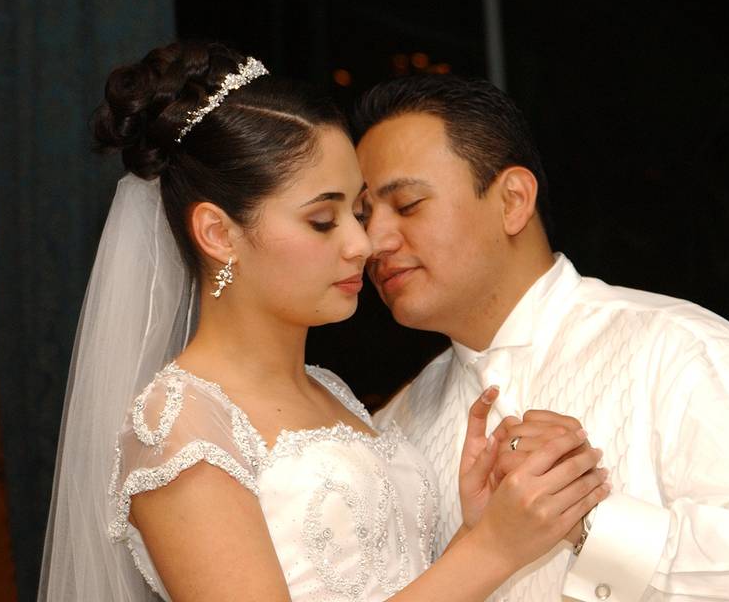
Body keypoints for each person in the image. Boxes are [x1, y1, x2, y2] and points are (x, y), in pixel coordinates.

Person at [37, 41, 611, 602]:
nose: (364, 243)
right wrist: (490, 549)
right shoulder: (180, 423)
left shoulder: (332, 392)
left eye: (357, 212)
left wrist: (473, 529)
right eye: (321, 220)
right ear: (218, 234)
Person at [353, 74, 729, 602]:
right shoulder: (393, 429)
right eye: (363, 216)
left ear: (512, 200)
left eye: (408, 204)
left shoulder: (676, 349)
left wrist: (591, 521)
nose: (373, 241)